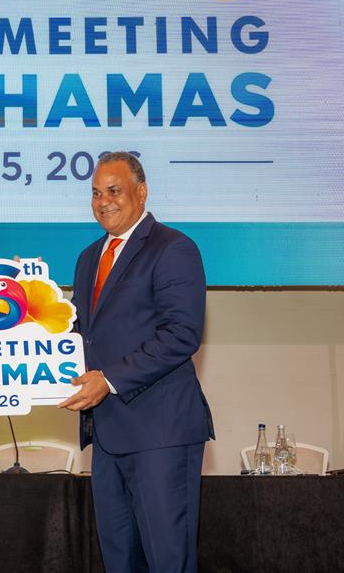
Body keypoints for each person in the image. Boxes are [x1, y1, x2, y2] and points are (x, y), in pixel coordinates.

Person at [60, 152, 214, 573]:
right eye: (95, 193)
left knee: (168, 560)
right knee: (119, 560)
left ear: (141, 192)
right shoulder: (89, 257)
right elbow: (80, 334)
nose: (103, 201)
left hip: (160, 432)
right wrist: (20, 329)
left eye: (114, 190)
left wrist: (108, 380)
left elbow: (181, 334)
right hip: (108, 435)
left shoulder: (173, 248)